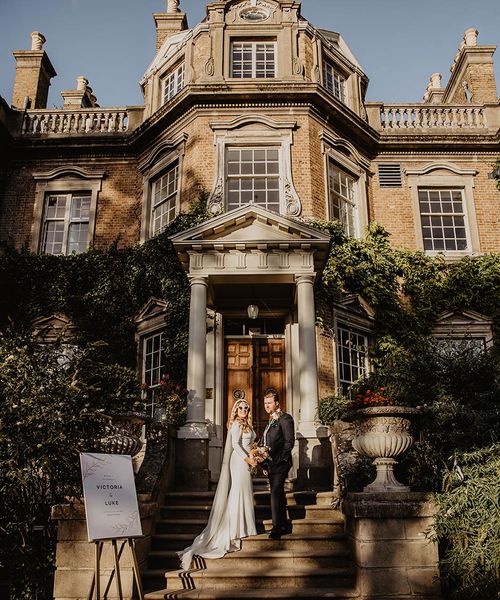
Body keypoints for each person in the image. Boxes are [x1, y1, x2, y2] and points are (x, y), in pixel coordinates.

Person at [178, 399, 258, 570]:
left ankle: (244, 526)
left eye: (246, 408)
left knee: (244, 491)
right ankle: (236, 529)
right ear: (235, 410)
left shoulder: (247, 424)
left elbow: (249, 444)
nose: (244, 410)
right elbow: (235, 445)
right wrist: (248, 459)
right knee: (237, 492)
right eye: (240, 407)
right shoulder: (236, 424)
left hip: (246, 460)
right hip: (239, 461)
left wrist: (255, 453)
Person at [261, 389, 295, 540]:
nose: (266, 406)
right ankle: (283, 524)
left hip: (281, 463)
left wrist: (281, 460)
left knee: (275, 491)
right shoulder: (270, 421)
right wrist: (264, 463)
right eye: (265, 403)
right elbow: (266, 443)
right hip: (271, 464)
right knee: (278, 492)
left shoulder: (285, 418)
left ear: (276, 403)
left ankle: (276, 527)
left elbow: (289, 441)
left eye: (269, 403)